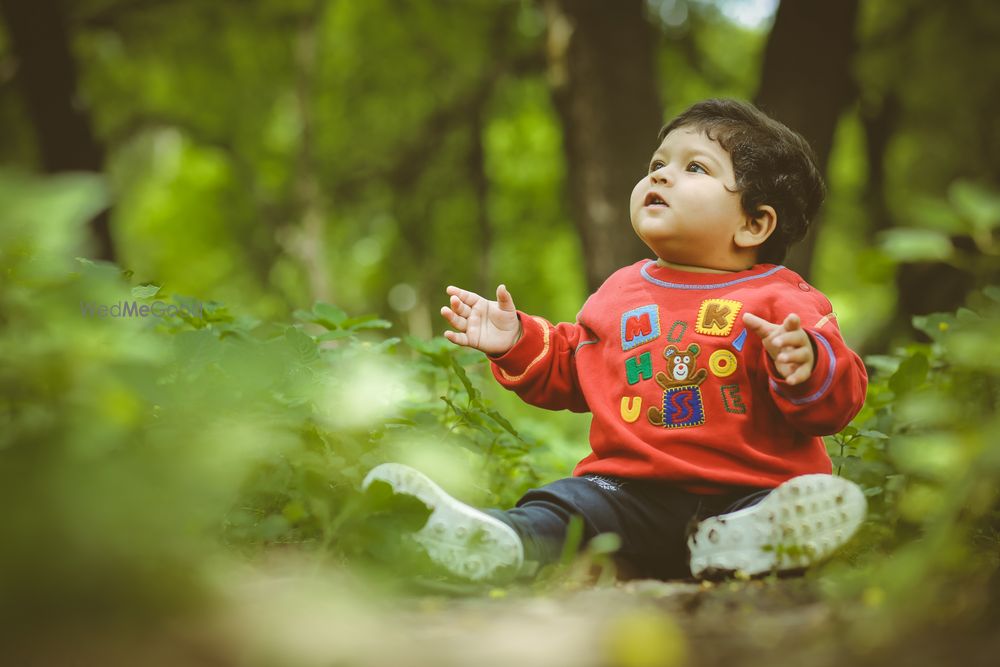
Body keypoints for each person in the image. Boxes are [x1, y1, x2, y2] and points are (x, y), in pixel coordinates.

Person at [363, 98, 869, 582]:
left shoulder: (783, 301)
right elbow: (575, 370)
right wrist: (516, 339)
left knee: (784, 505)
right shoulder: (621, 291)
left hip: (748, 493)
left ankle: (742, 545)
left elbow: (835, 404)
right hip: (628, 493)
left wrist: (804, 365)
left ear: (754, 223)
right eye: (658, 162)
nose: (661, 174)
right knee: (569, 504)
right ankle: (501, 541)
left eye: (696, 167)